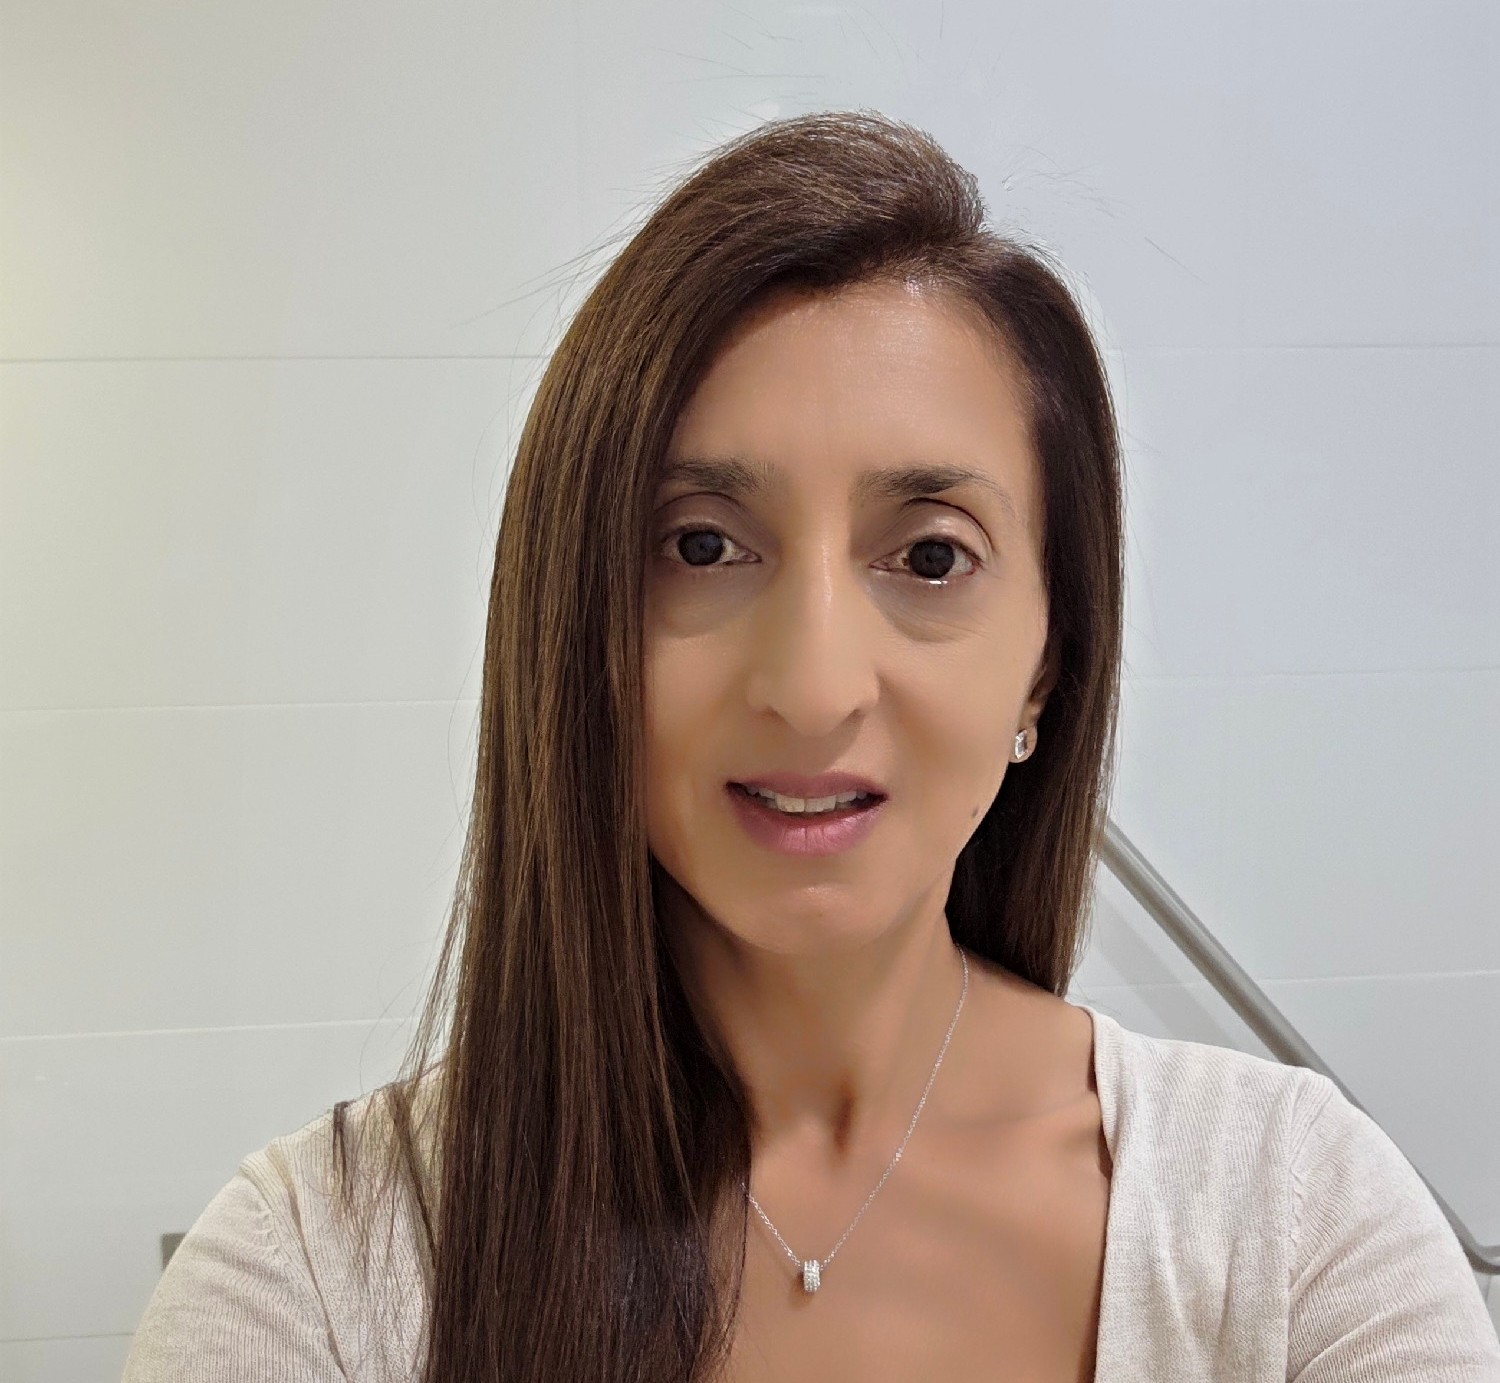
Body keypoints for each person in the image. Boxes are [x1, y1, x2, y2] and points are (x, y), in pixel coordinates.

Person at [121, 111, 1500, 1383]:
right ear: (574, 620)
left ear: (1048, 665)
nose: (814, 686)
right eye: (702, 545)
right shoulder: (314, 1275)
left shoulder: (1296, 1230)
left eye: (930, 557)